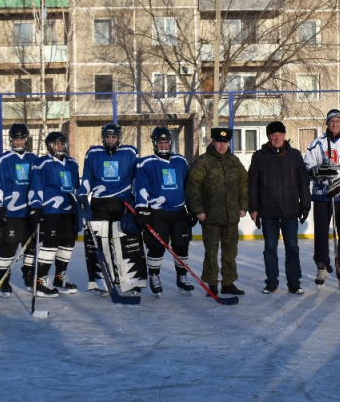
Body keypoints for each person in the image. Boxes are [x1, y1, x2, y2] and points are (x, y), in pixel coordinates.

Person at [78, 122, 143, 294]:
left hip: (124, 202)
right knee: (99, 242)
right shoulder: (93, 153)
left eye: (113, 136)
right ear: (103, 138)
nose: (110, 139)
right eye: (107, 136)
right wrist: (83, 195)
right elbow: (87, 178)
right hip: (100, 203)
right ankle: (102, 281)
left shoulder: (130, 153)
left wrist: (140, 203)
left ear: (119, 138)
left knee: (127, 242)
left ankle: (130, 281)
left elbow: (137, 179)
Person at [248, 121, 311, 295]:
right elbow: (252, 183)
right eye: (273, 135)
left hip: (290, 210)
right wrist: (253, 208)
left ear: (285, 135)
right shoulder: (259, 156)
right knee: (270, 248)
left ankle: (294, 282)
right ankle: (272, 282)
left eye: (280, 135)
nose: (277, 138)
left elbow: (304, 182)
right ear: (268, 137)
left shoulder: (295, 155)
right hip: (268, 210)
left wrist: (305, 205)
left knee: (292, 247)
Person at [304, 109, 340, 289]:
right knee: (321, 230)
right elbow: (308, 163)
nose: (334, 124)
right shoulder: (318, 143)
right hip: (322, 193)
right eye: (331, 121)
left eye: (338, 121)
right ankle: (322, 265)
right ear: (327, 123)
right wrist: (316, 171)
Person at [134, 127, 196, 296]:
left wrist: (191, 208)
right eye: (160, 142)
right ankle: (154, 276)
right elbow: (141, 188)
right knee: (155, 248)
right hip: (158, 213)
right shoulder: (145, 163)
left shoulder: (180, 161)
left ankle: (182, 278)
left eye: (166, 141)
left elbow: (188, 187)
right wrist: (142, 209)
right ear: (154, 143)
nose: (164, 145)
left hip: (178, 212)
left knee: (181, 246)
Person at [187, 127, 248, 296]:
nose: (222, 145)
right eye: (219, 142)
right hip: (210, 217)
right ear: (212, 142)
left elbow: (243, 184)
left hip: (231, 217)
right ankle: (212, 284)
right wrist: (198, 210)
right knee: (211, 253)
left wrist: (243, 206)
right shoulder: (203, 161)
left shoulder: (234, 161)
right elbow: (193, 187)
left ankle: (228, 283)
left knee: (230, 253)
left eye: (225, 142)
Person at [0, 124, 41, 297]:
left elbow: (40, 184)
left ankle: (28, 275)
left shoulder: (34, 160)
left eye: (22, 138)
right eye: (16, 138)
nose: (19, 141)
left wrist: (39, 206)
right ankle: (3, 280)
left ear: (26, 139)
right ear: (11, 139)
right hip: (11, 212)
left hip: (30, 212)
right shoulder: (3, 160)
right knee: (8, 248)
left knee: (32, 246)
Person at [29, 130, 81, 296]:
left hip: (69, 211)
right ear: (49, 147)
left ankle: (60, 276)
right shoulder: (41, 163)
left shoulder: (72, 163)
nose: (59, 147)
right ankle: (41, 279)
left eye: (61, 143)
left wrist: (80, 202)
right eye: (55, 144)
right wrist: (36, 207)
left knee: (68, 244)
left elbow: (76, 187)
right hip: (51, 210)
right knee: (50, 244)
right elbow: (35, 186)